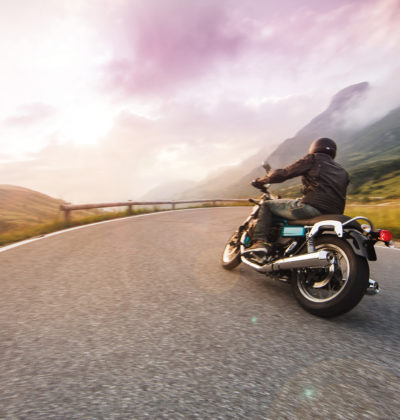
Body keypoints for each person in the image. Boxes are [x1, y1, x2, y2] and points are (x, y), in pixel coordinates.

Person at [244, 137, 349, 254]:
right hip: (334, 213)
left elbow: (284, 173)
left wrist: (263, 180)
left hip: (313, 208)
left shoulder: (313, 159)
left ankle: (259, 242)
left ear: (314, 148)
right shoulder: (342, 171)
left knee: (267, 205)